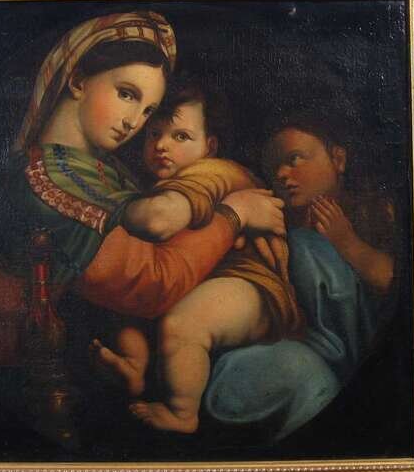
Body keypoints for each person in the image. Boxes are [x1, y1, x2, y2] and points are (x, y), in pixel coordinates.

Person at [0, 12, 284, 400]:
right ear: (77, 81)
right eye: (126, 94)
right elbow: (154, 284)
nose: (133, 122)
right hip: (34, 383)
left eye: (147, 110)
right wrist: (234, 213)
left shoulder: (100, 168)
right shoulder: (46, 180)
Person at [90, 80, 302, 433]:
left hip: (249, 287)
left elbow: (162, 218)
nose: (161, 145)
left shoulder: (212, 172)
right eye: (153, 134)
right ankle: (134, 366)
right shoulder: (157, 185)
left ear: (209, 146)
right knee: (130, 302)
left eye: (180, 136)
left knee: (184, 323)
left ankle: (182, 413)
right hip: (193, 279)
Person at [202, 110, 399, 441]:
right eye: (273, 167)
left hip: (355, 356)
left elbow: (396, 283)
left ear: (338, 159)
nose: (281, 174)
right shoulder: (278, 228)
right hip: (284, 354)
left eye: (294, 159)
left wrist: (347, 243)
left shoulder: (375, 211)